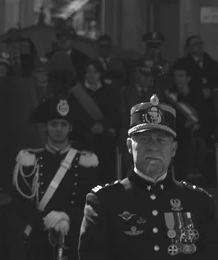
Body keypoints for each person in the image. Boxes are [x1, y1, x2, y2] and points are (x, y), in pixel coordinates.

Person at [78, 94, 218, 259]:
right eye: (144, 139)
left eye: (161, 140)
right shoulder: (104, 202)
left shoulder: (198, 202)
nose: (153, 147)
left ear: (173, 149)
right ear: (130, 146)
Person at [13, 96, 98, 260]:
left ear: (70, 127)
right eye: (54, 124)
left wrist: (67, 217)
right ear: (46, 127)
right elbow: (20, 204)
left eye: (63, 124)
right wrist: (46, 221)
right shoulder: (30, 160)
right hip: (38, 240)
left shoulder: (84, 162)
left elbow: (91, 202)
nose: (58, 129)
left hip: (73, 237)